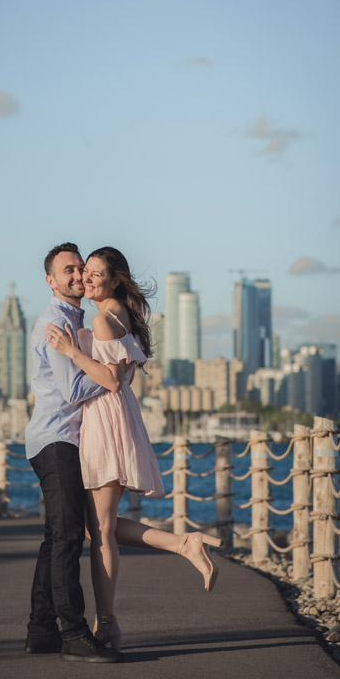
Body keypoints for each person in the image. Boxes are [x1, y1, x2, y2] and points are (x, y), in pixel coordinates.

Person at [45, 246, 221, 651]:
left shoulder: (104, 319)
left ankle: (106, 623)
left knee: (101, 530)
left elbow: (110, 381)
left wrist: (71, 351)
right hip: (114, 417)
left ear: (115, 280)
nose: (87, 279)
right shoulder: (117, 314)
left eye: (96, 274)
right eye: (85, 272)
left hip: (105, 418)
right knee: (95, 526)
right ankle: (183, 544)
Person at [24, 242, 122, 663]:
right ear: (51, 281)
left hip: (65, 439)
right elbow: (73, 389)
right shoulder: (56, 321)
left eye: (80, 268)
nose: (78, 275)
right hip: (56, 438)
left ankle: (41, 630)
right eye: (68, 270)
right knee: (66, 538)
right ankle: (74, 633)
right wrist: (116, 375)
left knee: (55, 538)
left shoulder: (78, 317)